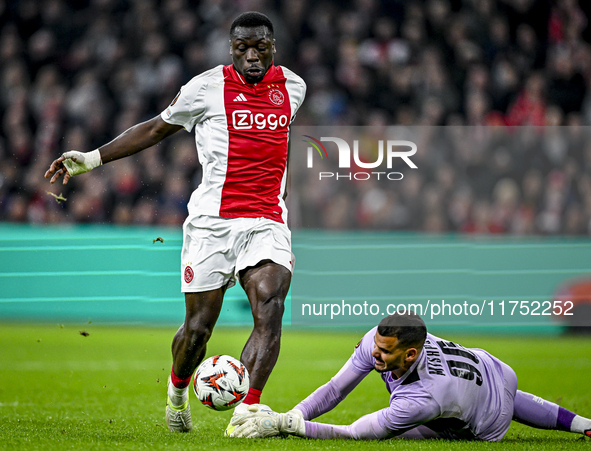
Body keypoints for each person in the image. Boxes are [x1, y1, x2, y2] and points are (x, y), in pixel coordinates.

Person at [44, 11, 306, 433]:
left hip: (265, 221)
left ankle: (248, 411)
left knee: (271, 305)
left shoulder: (293, 87)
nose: (252, 57)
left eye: (261, 47)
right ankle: (178, 390)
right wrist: (92, 159)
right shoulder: (204, 88)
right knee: (198, 331)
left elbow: (283, 140)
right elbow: (153, 131)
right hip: (210, 225)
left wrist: (282, 187)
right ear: (231, 50)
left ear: (273, 46)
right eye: (243, 49)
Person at [228, 312, 591, 441]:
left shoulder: (425, 398)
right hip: (488, 368)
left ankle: (579, 425)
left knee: (415, 430)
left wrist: (287, 426)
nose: (375, 355)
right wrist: (294, 413)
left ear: (411, 354)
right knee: (504, 394)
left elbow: (358, 432)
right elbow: (337, 388)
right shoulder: (380, 339)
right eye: (377, 347)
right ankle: (583, 425)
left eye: (385, 353)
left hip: (486, 418)